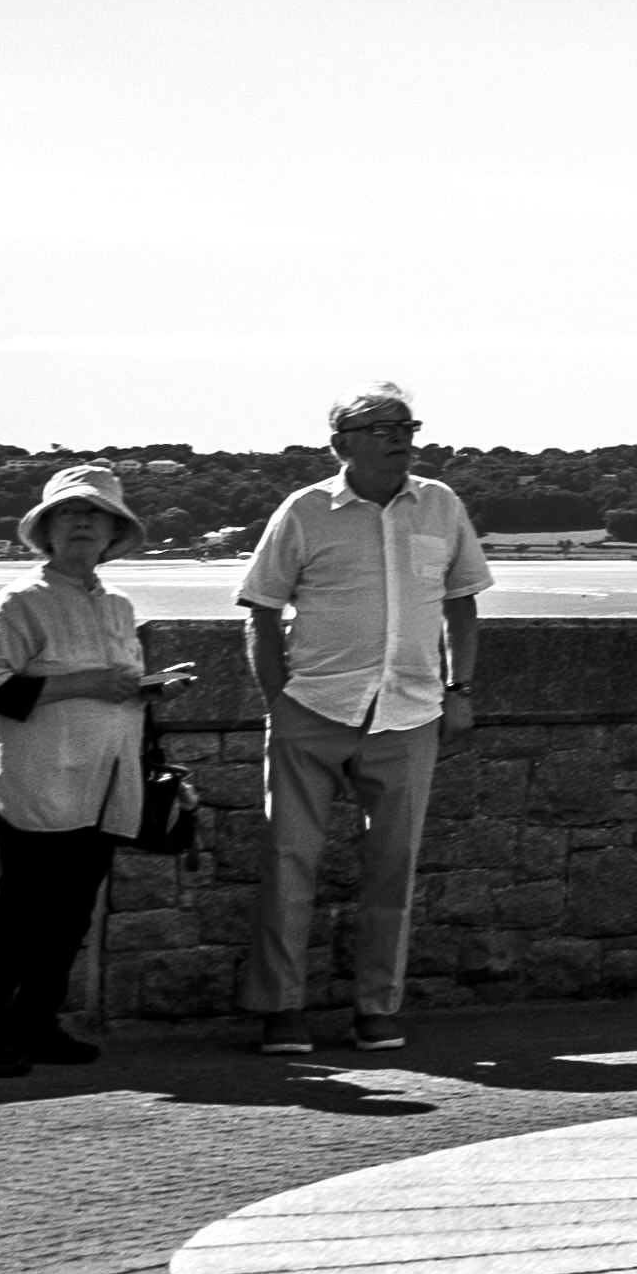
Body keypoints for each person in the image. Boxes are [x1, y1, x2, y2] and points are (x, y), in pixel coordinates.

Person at [233, 382, 487, 1057]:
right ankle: (281, 1009)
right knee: (289, 862)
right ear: (341, 444)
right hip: (314, 709)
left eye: (407, 425)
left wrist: (460, 689)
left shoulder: (441, 504)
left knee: (393, 868)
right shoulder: (304, 511)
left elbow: (462, 602)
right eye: (381, 427)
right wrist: (279, 703)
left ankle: (377, 1008)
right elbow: (261, 611)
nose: (400, 436)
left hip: (409, 711)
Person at [0, 466, 160, 1077]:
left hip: (102, 784)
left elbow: (113, 685)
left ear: (114, 532)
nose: (83, 522)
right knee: (19, 915)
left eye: (96, 514)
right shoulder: (20, 601)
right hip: (38, 783)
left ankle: (35, 1024)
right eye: (70, 512)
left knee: (69, 916)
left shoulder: (118, 606)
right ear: (47, 529)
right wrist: (86, 682)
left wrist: (146, 688)